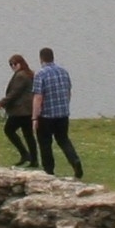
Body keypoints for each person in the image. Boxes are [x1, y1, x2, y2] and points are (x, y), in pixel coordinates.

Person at [34, 46, 83, 179]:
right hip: (63, 114)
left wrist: (34, 118)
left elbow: (38, 97)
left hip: (47, 115)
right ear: (52, 57)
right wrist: (65, 106)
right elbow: (68, 92)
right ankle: (75, 161)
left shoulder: (40, 74)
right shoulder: (63, 72)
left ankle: (49, 171)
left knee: (45, 143)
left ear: (41, 58)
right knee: (63, 140)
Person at [0, 54, 40, 170]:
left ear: (20, 63)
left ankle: (25, 154)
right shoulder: (29, 74)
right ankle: (34, 159)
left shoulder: (21, 76)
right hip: (28, 110)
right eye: (10, 64)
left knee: (9, 130)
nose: (13, 66)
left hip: (20, 110)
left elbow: (14, 93)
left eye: (14, 64)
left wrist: (1, 103)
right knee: (28, 135)